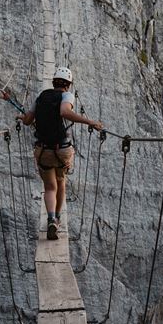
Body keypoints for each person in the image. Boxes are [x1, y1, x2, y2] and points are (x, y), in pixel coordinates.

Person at [21, 67, 103, 240]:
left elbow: (28, 121)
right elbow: (65, 112)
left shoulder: (42, 96)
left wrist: (21, 117)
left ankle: (50, 218)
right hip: (62, 150)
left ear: (53, 82)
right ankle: (57, 219)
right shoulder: (67, 96)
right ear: (68, 85)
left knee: (49, 187)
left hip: (43, 151)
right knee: (61, 182)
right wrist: (90, 122)